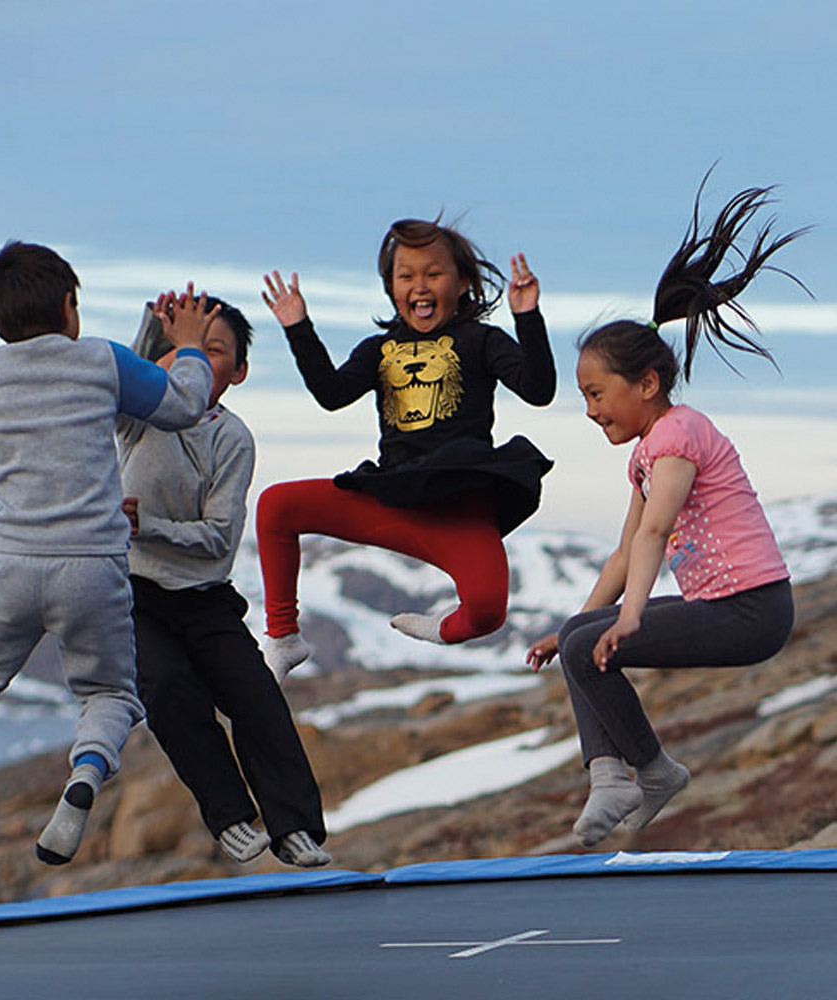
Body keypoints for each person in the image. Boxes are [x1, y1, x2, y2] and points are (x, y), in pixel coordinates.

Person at [0, 241, 217, 865]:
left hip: (13, 565)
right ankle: (84, 776)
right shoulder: (103, 361)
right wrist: (188, 346)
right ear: (69, 305)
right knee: (110, 693)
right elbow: (185, 405)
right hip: (93, 566)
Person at [527, 178, 807, 847]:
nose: (591, 410)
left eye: (598, 394)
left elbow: (656, 531)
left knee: (590, 643)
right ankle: (622, 774)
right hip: (725, 607)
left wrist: (629, 618)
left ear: (647, 384)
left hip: (753, 610)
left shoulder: (678, 436)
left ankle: (645, 773)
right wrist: (580, 621)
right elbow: (627, 550)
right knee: (577, 640)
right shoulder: (647, 453)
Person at [258, 218, 556, 680]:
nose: (420, 285)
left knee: (487, 609)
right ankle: (283, 638)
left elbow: (539, 390)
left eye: (433, 274)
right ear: (391, 287)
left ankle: (439, 628)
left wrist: (527, 317)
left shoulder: (482, 341)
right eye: (406, 275)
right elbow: (331, 394)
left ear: (463, 282)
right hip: (392, 497)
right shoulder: (379, 350)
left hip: (459, 506)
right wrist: (298, 326)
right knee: (276, 505)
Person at [117, 293, 330, 867]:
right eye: (179, 349)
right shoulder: (137, 418)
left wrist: (148, 526)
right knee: (168, 690)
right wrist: (155, 325)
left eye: (210, 350)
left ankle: (296, 828)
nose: (189, 358)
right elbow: (128, 372)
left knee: (257, 700)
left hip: (206, 598)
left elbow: (217, 537)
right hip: (135, 595)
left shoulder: (232, 438)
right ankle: (231, 816)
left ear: (238, 372)